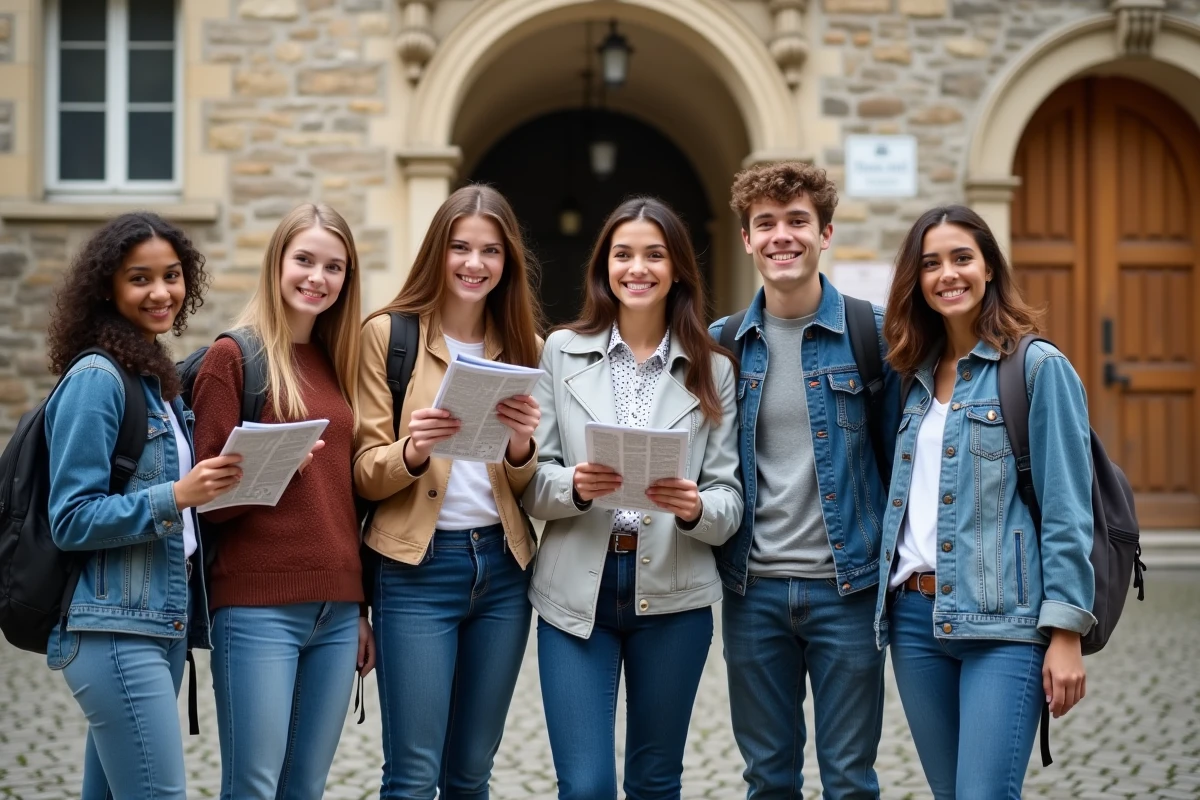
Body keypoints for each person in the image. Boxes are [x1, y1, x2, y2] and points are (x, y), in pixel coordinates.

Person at [523, 196, 743, 800]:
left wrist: (696, 506)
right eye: (623, 254)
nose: (637, 268)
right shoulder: (559, 351)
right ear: (605, 266)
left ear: (676, 270)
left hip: (674, 595)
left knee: (654, 780)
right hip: (576, 595)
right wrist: (575, 486)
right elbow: (532, 482)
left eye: (654, 255)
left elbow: (729, 499)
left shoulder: (713, 370)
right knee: (586, 784)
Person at [873, 205, 1095, 799]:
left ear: (990, 268)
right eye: (931, 263)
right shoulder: (910, 375)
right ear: (916, 280)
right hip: (916, 621)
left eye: (962, 258)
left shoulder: (1037, 368)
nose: (948, 274)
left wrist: (1067, 632)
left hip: (1005, 624)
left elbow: (1068, 509)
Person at [709, 162, 899, 799]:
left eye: (797, 221)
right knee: (768, 780)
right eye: (765, 223)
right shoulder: (724, 345)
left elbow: (904, 457)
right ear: (746, 239)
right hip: (752, 591)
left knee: (849, 780)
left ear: (826, 233)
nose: (780, 236)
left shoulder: (872, 334)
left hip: (846, 591)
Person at [354, 185, 543, 799]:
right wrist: (412, 451)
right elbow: (361, 471)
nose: (474, 263)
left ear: (507, 261)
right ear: (438, 251)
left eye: (490, 251)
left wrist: (519, 446)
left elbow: (528, 486)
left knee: (470, 773)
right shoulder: (388, 337)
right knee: (412, 774)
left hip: (502, 571)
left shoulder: (525, 348)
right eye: (460, 247)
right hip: (415, 570)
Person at [43, 212, 242, 799]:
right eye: (140, 279)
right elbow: (72, 518)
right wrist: (177, 496)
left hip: (158, 626)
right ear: (109, 287)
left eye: (173, 276)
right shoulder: (97, 379)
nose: (162, 293)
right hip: (114, 632)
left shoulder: (152, 381)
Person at [190, 203, 368, 800]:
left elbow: (345, 499)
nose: (318, 277)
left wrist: (361, 607)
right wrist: (274, 470)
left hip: (338, 612)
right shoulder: (232, 358)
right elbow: (204, 502)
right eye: (305, 260)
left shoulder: (340, 361)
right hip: (257, 606)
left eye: (334, 266)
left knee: (307, 788)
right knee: (254, 786)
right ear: (277, 264)